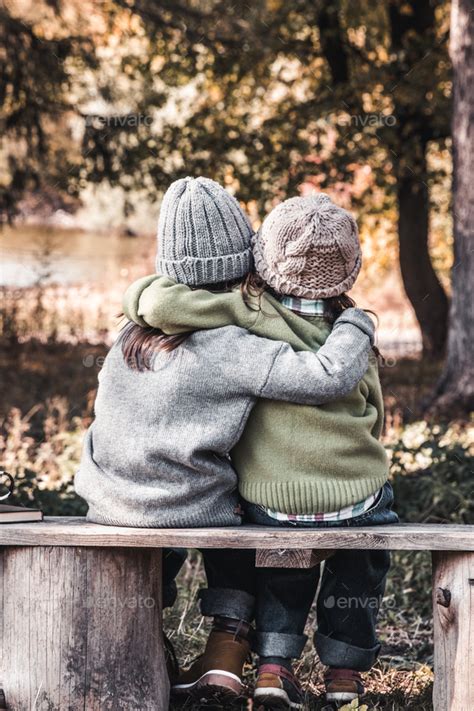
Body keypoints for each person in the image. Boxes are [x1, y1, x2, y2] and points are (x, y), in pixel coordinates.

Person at [123, 189, 398, 709]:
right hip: (357, 497)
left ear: (264, 260)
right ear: (350, 267)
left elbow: (168, 302)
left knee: (277, 558)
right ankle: (344, 674)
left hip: (272, 500)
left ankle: (272, 667)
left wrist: (138, 297)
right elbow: (376, 419)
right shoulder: (352, 334)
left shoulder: (246, 311)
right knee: (363, 557)